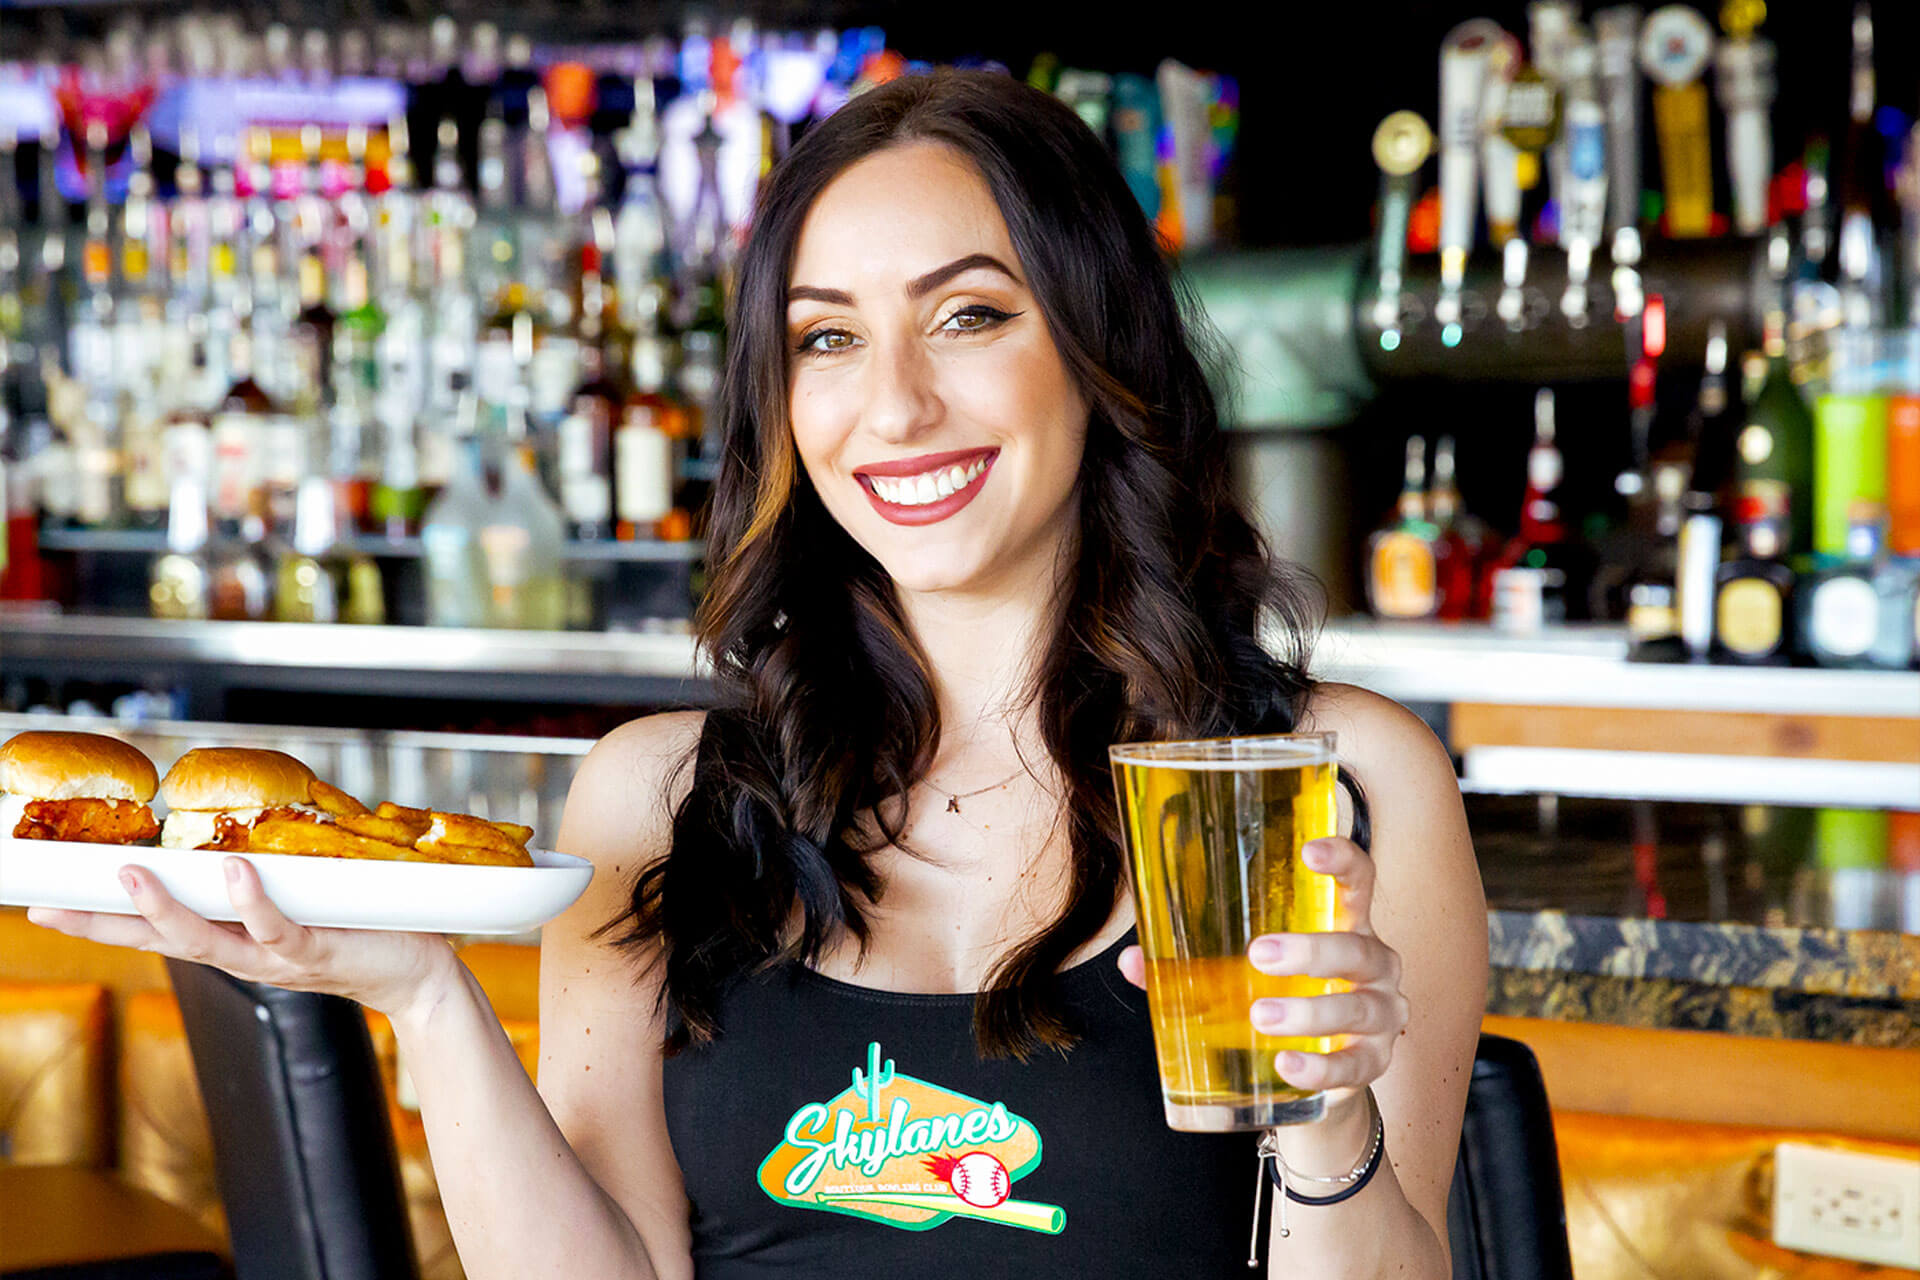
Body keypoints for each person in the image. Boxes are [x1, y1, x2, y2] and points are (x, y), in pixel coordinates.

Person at [30, 69, 1487, 1277]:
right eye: (827, 341)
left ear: (1098, 345)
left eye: (972, 315)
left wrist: (1322, 1112)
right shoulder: (656, 798)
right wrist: (429, 999)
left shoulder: (1323, 787)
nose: (896, 404)